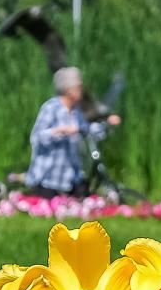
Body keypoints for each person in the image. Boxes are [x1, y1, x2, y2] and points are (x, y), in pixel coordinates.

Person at [25, 66, 121, 198]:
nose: (82, 91)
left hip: (70, 175)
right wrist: (60, 131)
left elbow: (86, 129)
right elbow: (37, 137)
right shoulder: (50, 108)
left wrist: (106, 124)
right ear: (68, 90)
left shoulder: (76, 111)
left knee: (84, 197)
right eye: (79, 87)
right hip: (48, 176)